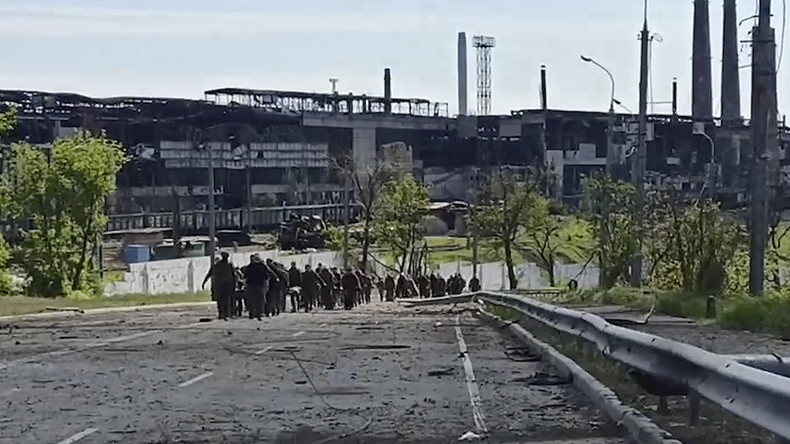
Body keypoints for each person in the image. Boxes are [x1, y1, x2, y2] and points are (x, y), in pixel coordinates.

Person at [202, 252, 236, 320]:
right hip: (226, 286)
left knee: (221, 300)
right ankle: (227, 314)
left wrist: (204, 283)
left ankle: (222, 314)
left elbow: (209, 274)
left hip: (219, 286)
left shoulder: (217, 266)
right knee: (227, 300)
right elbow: (233, 276)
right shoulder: (229, 266)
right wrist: (234, 284)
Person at [243, 254, 275, 320]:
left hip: (251, 285)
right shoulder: (263, 266)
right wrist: (271, 278)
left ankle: (251, 313)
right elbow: (269, 273)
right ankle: (259, 313)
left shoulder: (250, 266)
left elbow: (245, 275)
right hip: (260, 285)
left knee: (252, 300)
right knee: (260, 300)